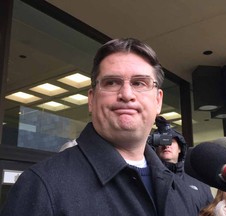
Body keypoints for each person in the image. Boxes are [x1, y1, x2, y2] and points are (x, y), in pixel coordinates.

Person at [1, 38, 198, 215]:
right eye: (112, 82)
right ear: (92, 99)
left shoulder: (178, 188)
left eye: (139, 83)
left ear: (158, 100)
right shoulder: (41, 187)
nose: (127, 94)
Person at [150, 116, 214, 213]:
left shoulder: (198, 182)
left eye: (171, 141)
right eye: (162, 140)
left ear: (180, 148)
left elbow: (210, 211)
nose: (166, 145)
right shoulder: (147, 179)